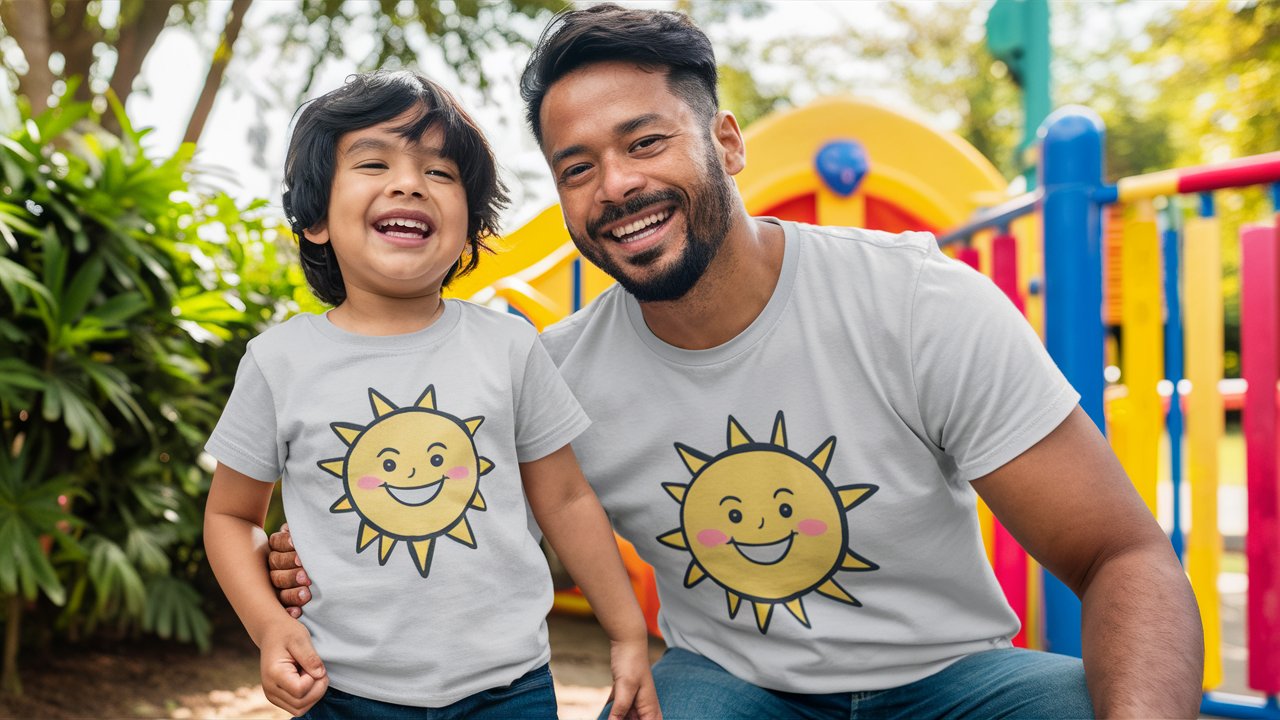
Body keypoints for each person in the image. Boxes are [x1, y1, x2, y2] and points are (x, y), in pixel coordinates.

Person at [269, 6, 1204, 718]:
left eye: (645, 142)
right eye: (579, 167)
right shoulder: (549, 376)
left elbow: (1123, 556)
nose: (618, 184)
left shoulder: (918, 303)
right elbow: (431, 510)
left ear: (725, 141)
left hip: (951, 677)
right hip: (730, 688)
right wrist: (298, 556)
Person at [203, 69, 660, 720]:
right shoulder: (278, 362)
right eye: (372, 161)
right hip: (342, 691)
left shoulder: (510, 347)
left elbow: (564, 497)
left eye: (440, 173)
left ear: (468, 223)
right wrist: (270, 628)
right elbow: (230, 517)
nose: (410, 182)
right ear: (314, 220)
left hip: (509, 689)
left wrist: (625, 632)